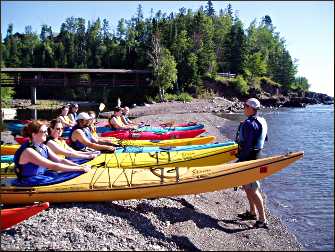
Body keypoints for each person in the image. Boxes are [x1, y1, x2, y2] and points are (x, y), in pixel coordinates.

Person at [13, 120, 91, 186]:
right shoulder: (29, 151)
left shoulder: (43, 146)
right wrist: (80, 169)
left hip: (41, 176)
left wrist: (79, 166)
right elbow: (53, 165)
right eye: (43, 132)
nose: (46, 134)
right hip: (29, 181)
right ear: (34, 134)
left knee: (71, 172)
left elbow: (60, 160)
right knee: (71, 173)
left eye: (46, 131)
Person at [235, 98, 269, 229]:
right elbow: (265, 138)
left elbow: (248, 146)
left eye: (245, 106)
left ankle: (262, 219)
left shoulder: (249, 123)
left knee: (253, 189)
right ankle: (252, 212)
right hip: (257, 155)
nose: (243, 107)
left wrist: (240, 161)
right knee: (247, 186)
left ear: (250, 108)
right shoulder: (262, 120)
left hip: (249, 159)